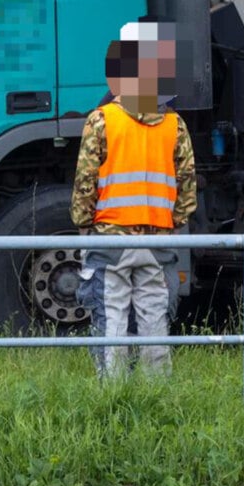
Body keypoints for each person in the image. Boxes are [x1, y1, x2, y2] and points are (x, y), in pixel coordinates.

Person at [71, 20, 197, 377]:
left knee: (111, 317)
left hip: (111, 240)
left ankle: (113, 394)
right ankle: (156, 391)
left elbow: (85, 183)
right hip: (158, 241)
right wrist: (174, 222)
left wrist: (83, 225)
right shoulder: (176, 126)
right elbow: (187, 188)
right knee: (154, 317)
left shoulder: (101, 120)